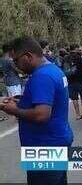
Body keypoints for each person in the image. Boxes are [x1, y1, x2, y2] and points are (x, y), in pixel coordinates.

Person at [0, 37, 73, 185]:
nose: (15, 65)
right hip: (56, 141)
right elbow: (50, 102)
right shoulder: (52, 69)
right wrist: (23, 101)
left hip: (44, 148)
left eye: (16, 61)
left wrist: (13, 110)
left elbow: (41, 115)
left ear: (28, 56)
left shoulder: (42, 76)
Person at [63, 44, 82, 120]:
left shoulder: (65, 58)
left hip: (70, 81)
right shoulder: (79, 58)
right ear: (75, 49)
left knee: (74, 98)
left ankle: (78, 115)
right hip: (80, 80)